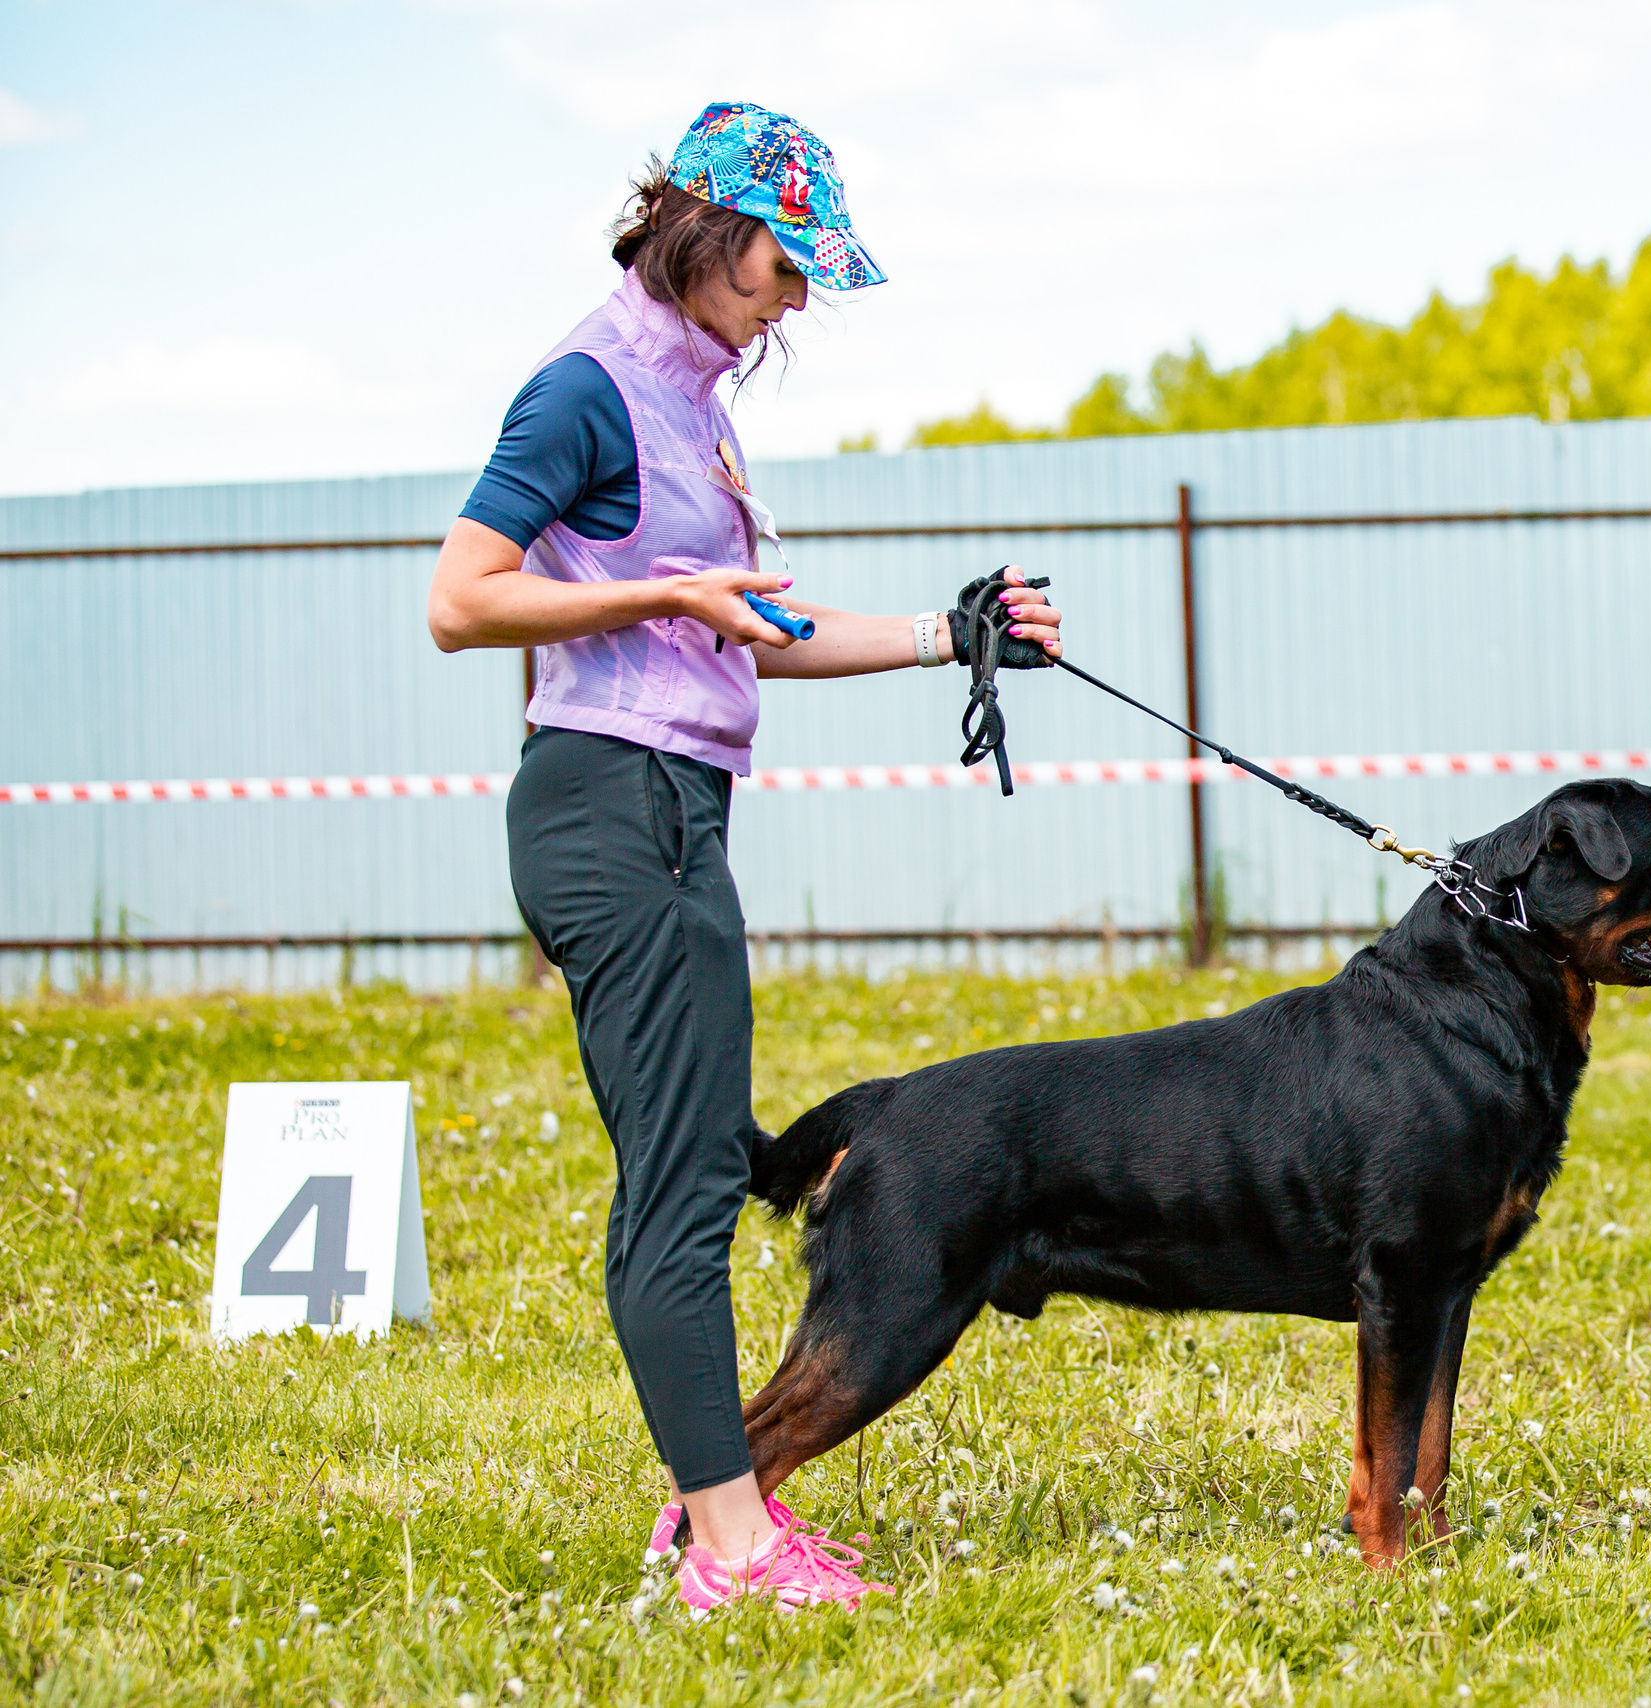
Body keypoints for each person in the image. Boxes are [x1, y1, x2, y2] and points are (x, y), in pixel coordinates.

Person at [426, 101, 1064, 1612]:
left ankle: (716, 1516)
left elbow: (743, 625)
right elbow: (461, 599)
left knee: (705, 1165)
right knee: (680, 1192)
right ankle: (727, 1548)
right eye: (786, 264)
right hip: (605, 805)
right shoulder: (583, 389)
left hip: (678, 805)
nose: (795, 297)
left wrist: (944, 636)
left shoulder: (691, 403)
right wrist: (667, 598)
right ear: (704, 232)